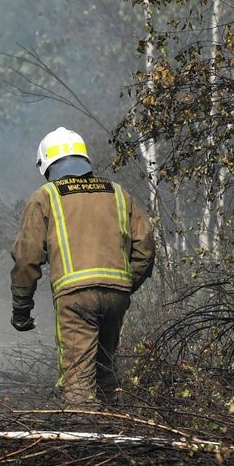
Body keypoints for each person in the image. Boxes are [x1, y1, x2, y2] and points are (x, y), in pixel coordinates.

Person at [10, 127, 155, 406]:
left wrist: (21, 308)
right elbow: (146, 244)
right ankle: (117, 432)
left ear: (47, 164)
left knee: (77, 380)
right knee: (105, 371)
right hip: (117, 295)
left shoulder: (46, 196)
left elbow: (26, 258)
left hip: (74, 297)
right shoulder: (117, 192)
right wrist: (125, 283)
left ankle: (85, 439)